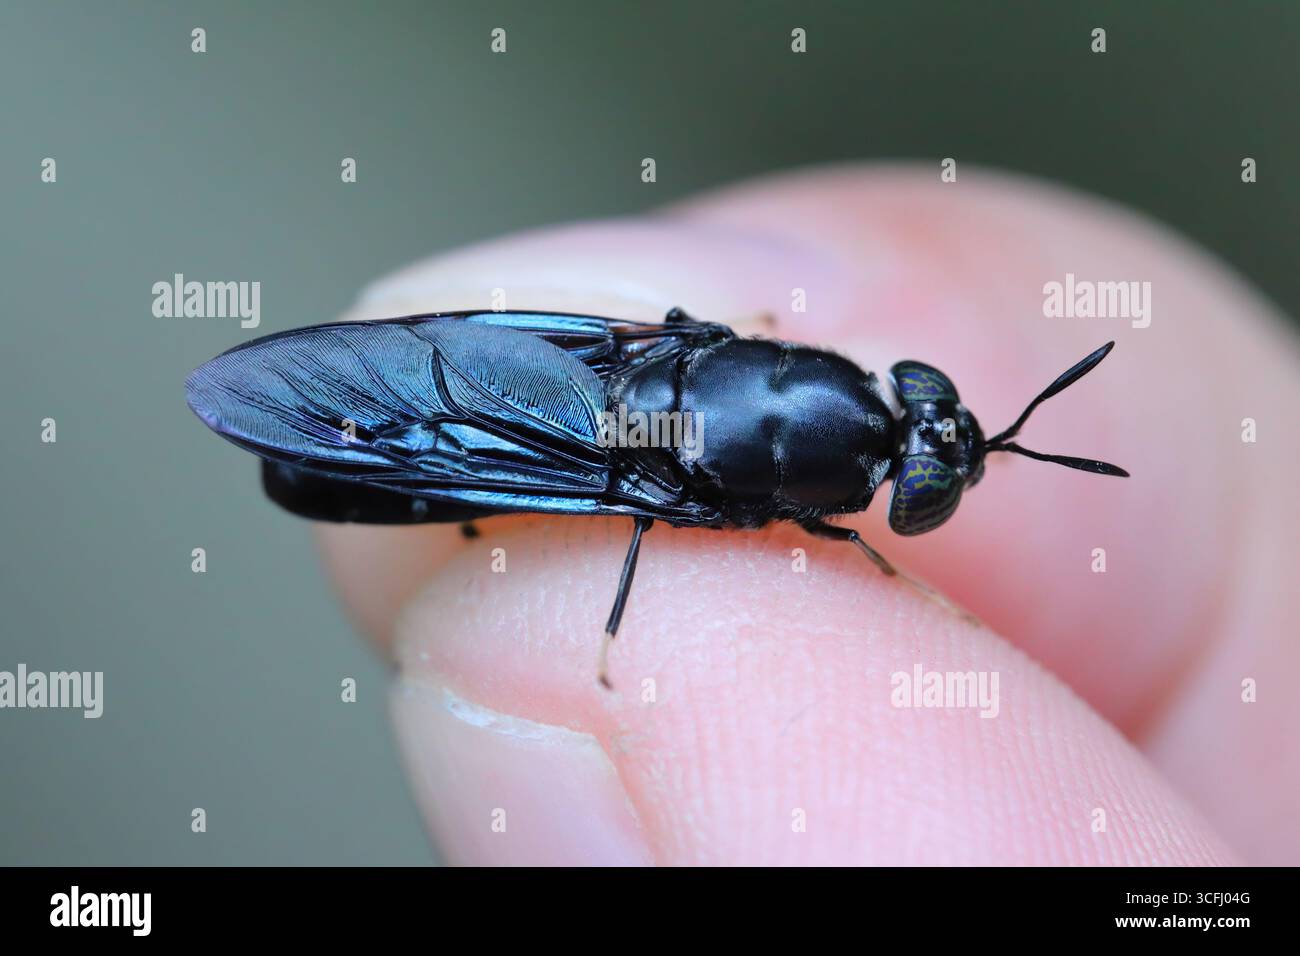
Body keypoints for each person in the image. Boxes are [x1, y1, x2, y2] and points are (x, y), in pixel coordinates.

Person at [315, 166, 1299, 865]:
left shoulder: (827, 391)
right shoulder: (826, 499)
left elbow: (703, 347)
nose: (936, 428)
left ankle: (347, 435)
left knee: (467, 402)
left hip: (630, 372)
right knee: (547, 471)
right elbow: (697, 498)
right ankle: (344, 439)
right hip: (623, 437)